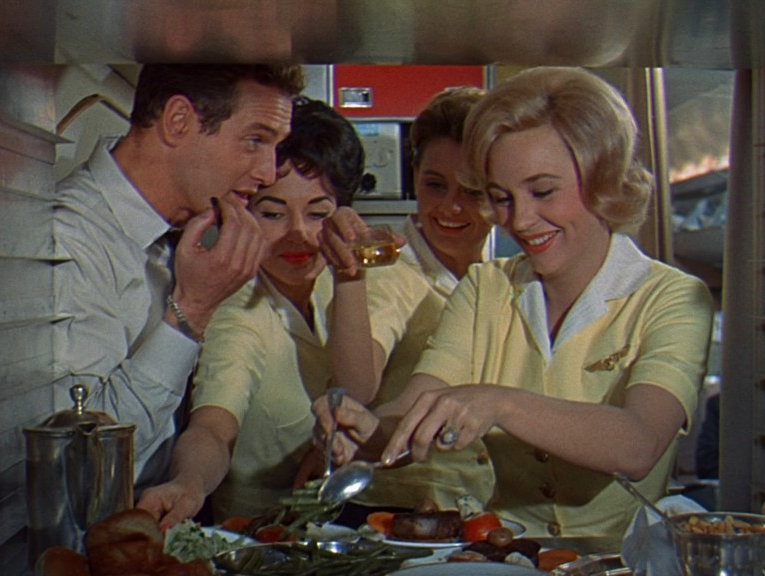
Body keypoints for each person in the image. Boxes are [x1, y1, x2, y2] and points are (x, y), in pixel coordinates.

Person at [315, 67, 714, 550]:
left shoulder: (672, 297)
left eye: (542, 192)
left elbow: (638, 444)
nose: (520, 221)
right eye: (501, 198)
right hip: (509, 556)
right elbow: (416, 408)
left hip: (622, 560)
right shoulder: (487, 288)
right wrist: (367, 429)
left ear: (603, 179)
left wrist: (499, 402)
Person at [54, 64, 305, 489]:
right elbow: (80, 462)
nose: (267, 173)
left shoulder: (176, 235)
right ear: (178, 121)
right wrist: (193, 311)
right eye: (255, 141)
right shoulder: (70, 237)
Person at [135, 97, 366, 528]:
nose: (299, 234)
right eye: (273, 213)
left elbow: (364, 391)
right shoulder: (238, 309)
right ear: (240, 213)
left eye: (318, 213)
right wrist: (189, 482)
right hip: (261, 538)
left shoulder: (341, 285)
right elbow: (213, 426)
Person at [320, 87, 498, 518]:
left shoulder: (500, 280)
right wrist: (350, 277)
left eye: (472, 191)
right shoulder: (392, 273)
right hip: (396, 512)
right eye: (435, 185)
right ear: (414, 174)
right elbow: (357, 386)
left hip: (479, 513)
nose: (450, 207)